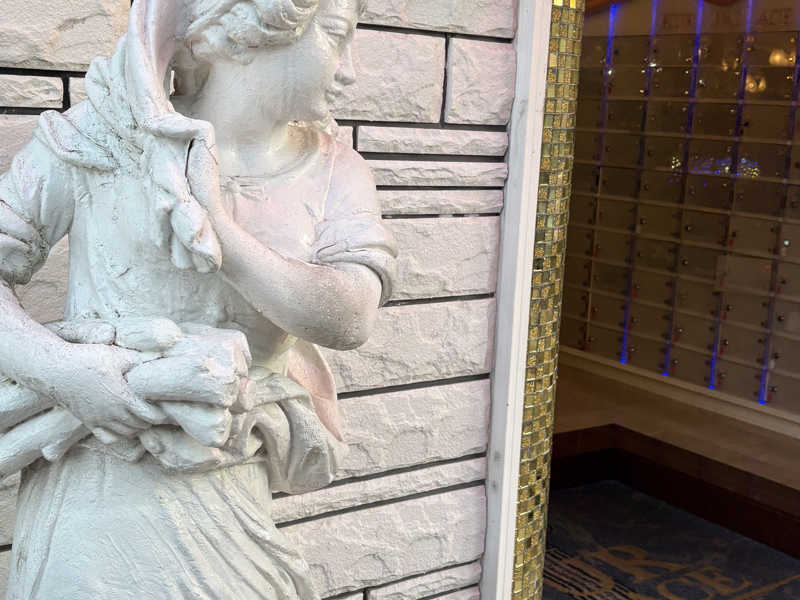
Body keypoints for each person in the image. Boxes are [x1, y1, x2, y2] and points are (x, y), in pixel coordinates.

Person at [0, 0, 396, 597]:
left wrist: (219, 232)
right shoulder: (102, 137)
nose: (349, 72)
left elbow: (351, 316)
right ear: (249, 32)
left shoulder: (334, 168)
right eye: (336, 36)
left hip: (228, 481)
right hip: (96, 486)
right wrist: (66, 372)